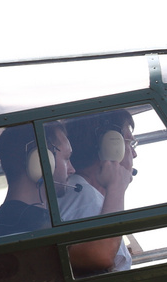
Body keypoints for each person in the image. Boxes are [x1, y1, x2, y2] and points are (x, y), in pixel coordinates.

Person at [0, 121, 128, 275]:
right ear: (41, 161)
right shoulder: (21, 222)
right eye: (66, 158)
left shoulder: (25, 217)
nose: (72, 169)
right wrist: (116, 187)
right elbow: (101, 255)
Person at [56, 108, 136, 273]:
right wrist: (117, 187)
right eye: (129, 142)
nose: (134, 154)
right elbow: (99, 259)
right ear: (110, 147)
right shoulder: (84, 199)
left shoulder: (81, 192)